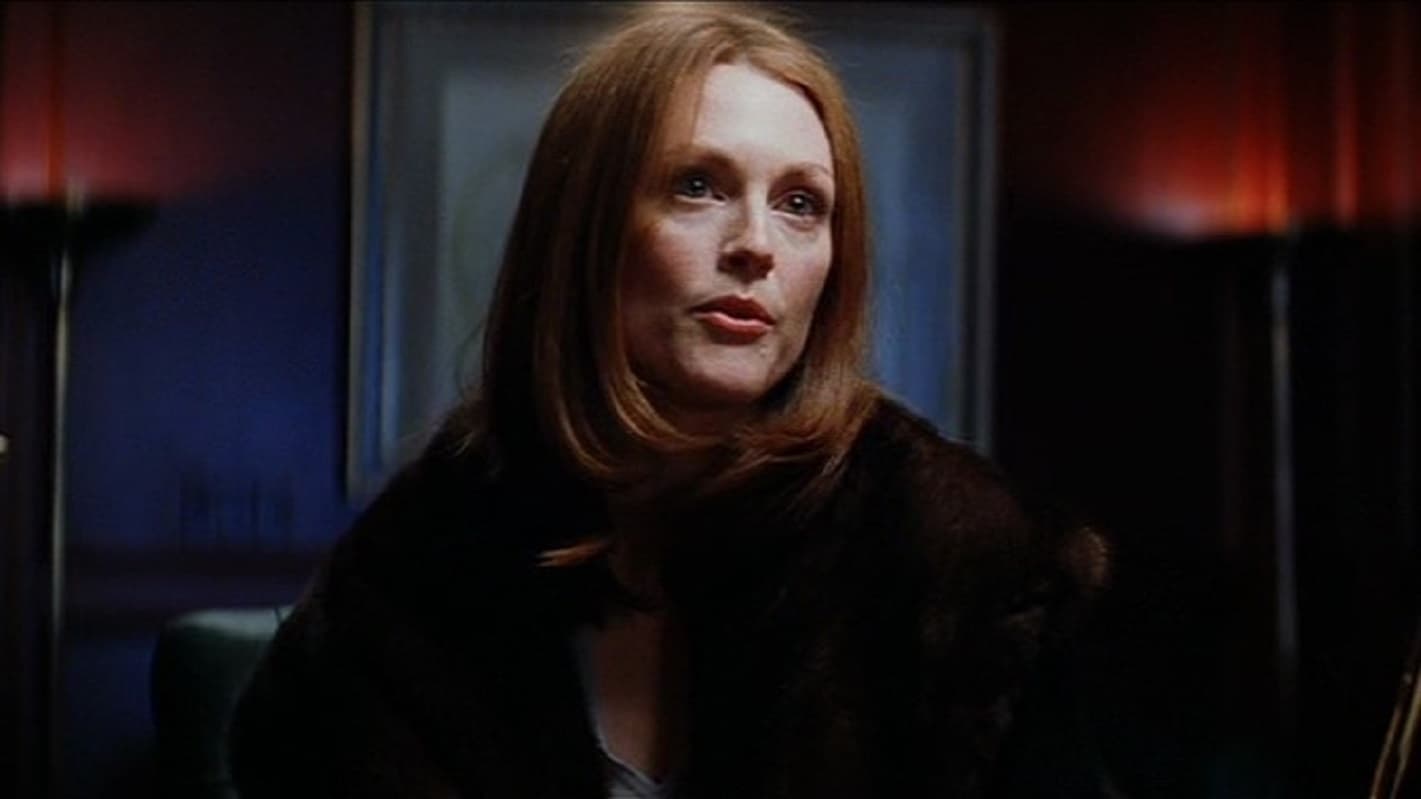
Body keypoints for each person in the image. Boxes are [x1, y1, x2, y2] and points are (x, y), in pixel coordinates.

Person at [228, 3, 1111, 797]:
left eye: (801, 204)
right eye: (698, 185)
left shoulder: (968, 565)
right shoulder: (416, 566)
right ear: (585, 229)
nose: (756, 244)